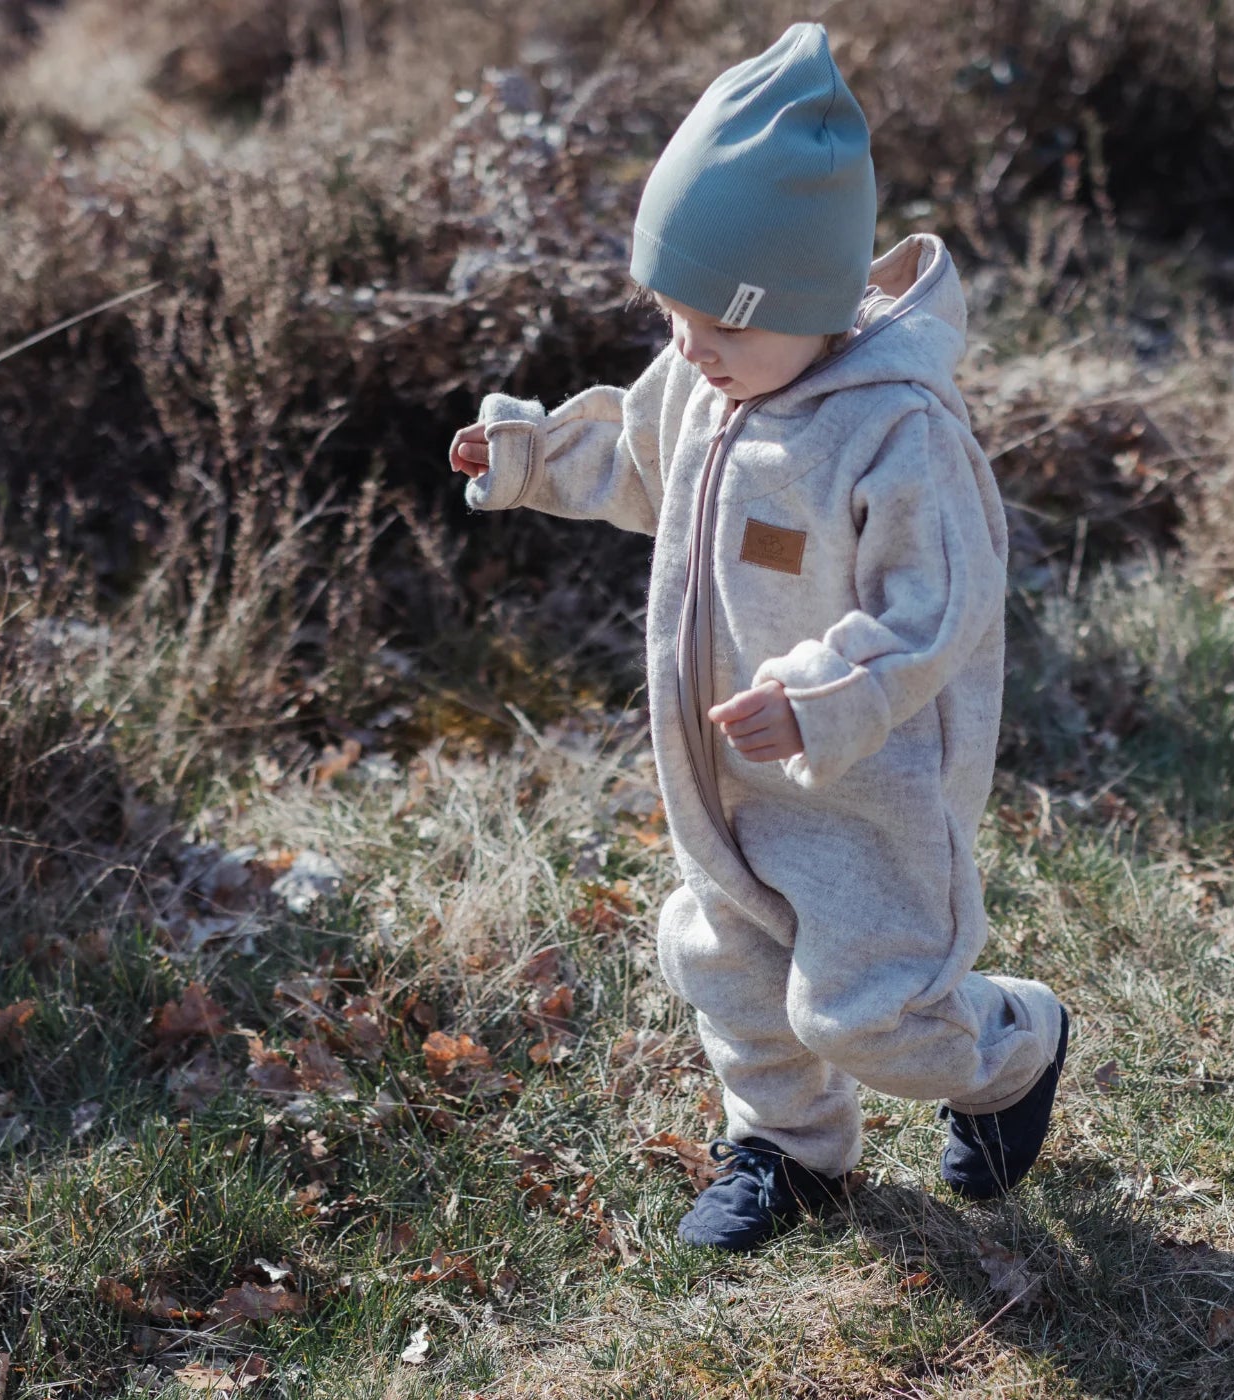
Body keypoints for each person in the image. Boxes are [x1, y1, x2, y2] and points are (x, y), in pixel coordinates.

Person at [448, 23, 1069, 1252]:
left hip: (862, 782)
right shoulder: (707, 380)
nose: (688, 349)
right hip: (719, 774)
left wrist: (821, 694)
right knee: (720, 958)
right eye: (669, 315)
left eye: (715, 326)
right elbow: (636, 455)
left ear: (813, 302)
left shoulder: (894, 432)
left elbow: (930, 612)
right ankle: (790, 1151)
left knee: (864, 1009)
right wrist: (524, 459)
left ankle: (1010, 1045)